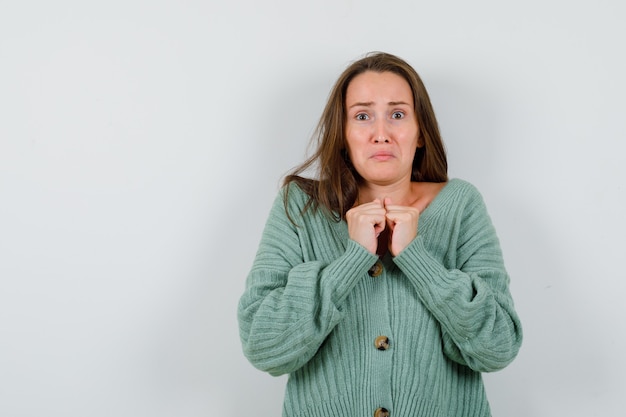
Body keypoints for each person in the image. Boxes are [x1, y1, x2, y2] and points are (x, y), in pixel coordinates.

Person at [238, 52, 522, 417]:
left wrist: (418, 259)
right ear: (343, 135)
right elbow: (263, 347)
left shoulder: (461, 204)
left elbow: (497, 347)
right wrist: (352, 259)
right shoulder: (300, 206)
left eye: (398, 114)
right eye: (362, 116)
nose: (381, 133)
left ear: (421, 133)